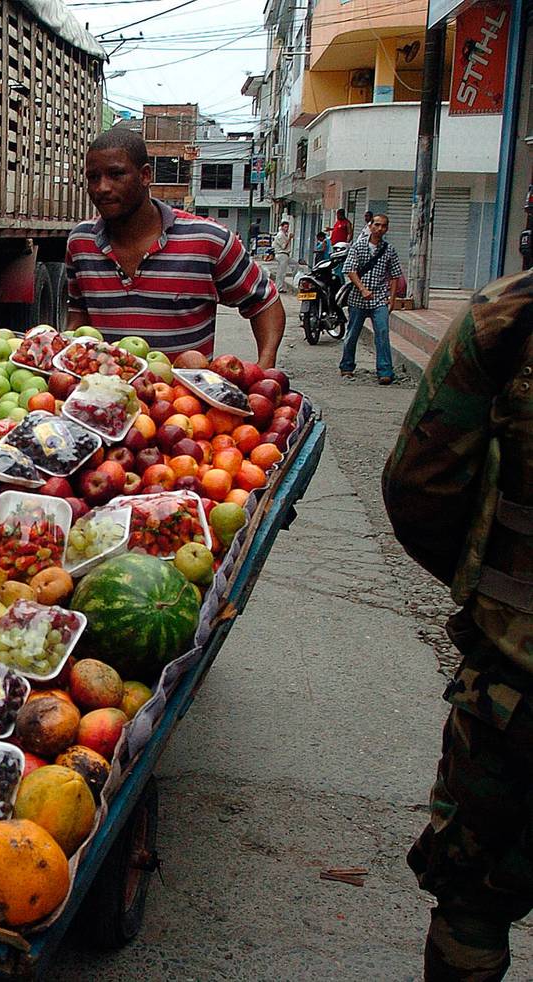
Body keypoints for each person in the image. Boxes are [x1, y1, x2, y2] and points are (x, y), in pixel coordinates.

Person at [383, 271, 533, 981]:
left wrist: (496, 601)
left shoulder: (510, 315)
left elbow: (423, 485)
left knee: (474, 900)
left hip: (517, 689)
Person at [64, 129, 285, 367]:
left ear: (145, 175)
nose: (102, 188)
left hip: (184, 400)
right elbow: (79, 313)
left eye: (116, 174)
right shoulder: (81, 242)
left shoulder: (208, 240)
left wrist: (264, 369)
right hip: (104, 395)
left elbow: (265, 302)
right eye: (93, 177)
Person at [339, 213, 403, 384]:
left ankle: (385, 370)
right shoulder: (358, 247)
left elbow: (395, 275)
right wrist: (362, 289)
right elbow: (350, 269)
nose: (379, 228)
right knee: (352, 333)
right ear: (370, 226)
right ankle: (347, 366)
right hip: (358, 299)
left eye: (383, 225)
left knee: (382, 332)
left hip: (379, 298)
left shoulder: (389, 250)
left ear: (386, 228)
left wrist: (392, 298)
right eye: (377, 225)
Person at [272, 219, 293, 293]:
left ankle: (280, 286)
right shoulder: (281, 235)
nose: (286, 229)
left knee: (294, 265)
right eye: (285, 227)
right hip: (282, 254)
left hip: (285, 255)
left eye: (287, 227)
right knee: (282, 272)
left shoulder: (284, 234)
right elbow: (284, 246)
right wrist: (289, 239)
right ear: (282, 227)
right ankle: (279, 287)